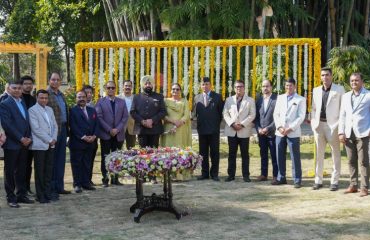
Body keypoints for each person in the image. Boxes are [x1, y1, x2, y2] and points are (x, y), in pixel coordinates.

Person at [0, 80, 34, 207]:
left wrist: (29, 137)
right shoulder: (5, 104)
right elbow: (7, 125)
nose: (17, 90)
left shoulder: (22, 102)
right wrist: (21, 138)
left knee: (21, 170)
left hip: (25, 143)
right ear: (8, 89)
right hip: (12, 144)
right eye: (14, 88)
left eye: (19, 88)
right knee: (10, 171)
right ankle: (10, 197)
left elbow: (27, 121)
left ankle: (21, 195)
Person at [310, 67, 345, 191]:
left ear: (331, 76)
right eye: (323, 75)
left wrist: (340, 127)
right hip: (319, 126)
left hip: (333, 126)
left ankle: (334, 181)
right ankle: (318, 180)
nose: (325, 77)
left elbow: (343, 110)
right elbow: (313, 108)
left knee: (335, 154)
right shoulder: (316, 90)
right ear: (321, 77)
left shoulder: (339, 89)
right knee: (319, 154)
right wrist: (314, 122)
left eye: (327, 75)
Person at [338, 72, 370, 197]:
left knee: (363, 161)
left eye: (356, 80)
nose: (354, 83)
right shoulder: (346, 96)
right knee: (351, 160)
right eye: (352, 81)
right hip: (348, 132)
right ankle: (353, 185)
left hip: (363, 132)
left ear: (362, 81)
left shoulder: (368, 95)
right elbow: (342, 115)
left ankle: (364, 187)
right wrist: (341, 131)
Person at [273, 78, 306, 188]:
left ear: (295, 86)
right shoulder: (280, 98)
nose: (288, 88)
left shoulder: (300, 99)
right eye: (287, 85)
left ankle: (297, 180)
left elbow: (301, 116)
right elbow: (276, 114)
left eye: (290, 85)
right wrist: (279, 127)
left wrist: (290, 128)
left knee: (294, 157)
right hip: (280, 132)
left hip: (293, 132)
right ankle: (281, 177)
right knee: (279, 156)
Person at [95, 81, 129, 187]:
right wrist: (109, 129)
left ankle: (115, 178)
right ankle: (105, 179)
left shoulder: (121, 102)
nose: (110, 89)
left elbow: (125, 117)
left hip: (118, 135)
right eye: (108, 87)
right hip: (106, 134)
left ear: (115, 89)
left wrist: (117, 129)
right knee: (105, 157)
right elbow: (99, 117)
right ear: (105, 88)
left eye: (112, 88)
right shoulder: (100, 102)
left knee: (117, 157)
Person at [29, 90, 58, 203]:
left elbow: (55, 125)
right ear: (37, 98)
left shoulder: (49, 109)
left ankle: (47, 193)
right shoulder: (32, 110)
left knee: (48, 170)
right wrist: (50, 140)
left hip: (51, 145)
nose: (44, 100)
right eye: (41, 98)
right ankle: (40, 195)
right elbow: (36, 129)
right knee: (40, 171)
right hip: (40, 145)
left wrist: (54, 138)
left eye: (46, 98)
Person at [223, 80, 255, 182]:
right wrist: (232, 124)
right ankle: (231, 175)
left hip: (244, 131)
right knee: (231, 154)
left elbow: (252, 115)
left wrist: (241, 124)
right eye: (237, 87)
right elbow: (225, 113)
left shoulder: (250, 100)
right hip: (231, 130)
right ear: (234, 88)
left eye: (240, 87)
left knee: (245, 154)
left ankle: (246, 175)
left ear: (244, 88)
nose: (239, 89)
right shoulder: (229, 100)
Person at [192, 77, 223, 181]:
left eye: (207, 84)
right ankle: (204, 173)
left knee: (214, 152)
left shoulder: (218, 97)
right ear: (200, 86)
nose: (205, 86)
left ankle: (214, 174)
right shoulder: (196, 98)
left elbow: (220, 113)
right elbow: (194, 114)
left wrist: (215, 124)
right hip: (202, 130)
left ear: (210, 85)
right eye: (203, 84)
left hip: (214, 130)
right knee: (203, 153)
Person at [69, 90, 98, 193]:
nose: (81, 99)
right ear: (76, 99)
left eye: (83, 97)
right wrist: (84, 137)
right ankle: (77, 184)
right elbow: (73, 126)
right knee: (77, 164)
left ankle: (86, 183)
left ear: (86, 98)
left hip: (91, 142)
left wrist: (94, 136)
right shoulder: (72, 111)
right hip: (78, 142)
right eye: (79, 97)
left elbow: (96, 124)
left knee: (87, 163)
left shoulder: (92, 110)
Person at [47, 72, 70, 196]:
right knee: (52, 160)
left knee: (61, 160)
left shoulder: (61, 95)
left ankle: (60, 186)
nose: (55, 82)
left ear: (60, 81)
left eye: (57, 80)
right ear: (49, 81)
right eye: (53, 79)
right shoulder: (46, 94)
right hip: (52, 131)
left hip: (63, 129)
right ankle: (51, 188)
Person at [131, 75, 166, 148]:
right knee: (142, 153)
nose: (148, 85)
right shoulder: (137, 97)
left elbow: (163, 111)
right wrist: (142, 121)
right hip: (141, 129)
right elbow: (133, 112)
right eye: (146, 84)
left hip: (155, 129)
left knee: (154, 153)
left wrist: (152, 120)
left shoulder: (159, 96)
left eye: (150, 83)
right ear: (142, 85)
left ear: (152, 85)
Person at [255, 80, 278, 183]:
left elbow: (278, 118)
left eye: (267, 86)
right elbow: (256, 118)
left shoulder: (276, 99)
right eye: (263, 86)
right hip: (261, 134)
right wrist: (258, 128)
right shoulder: (259, 100)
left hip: (272, 133)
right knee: (263, 154)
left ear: (271, 87)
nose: (265, 88)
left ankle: (275, 175)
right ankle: (264, 174)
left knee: (274, 155)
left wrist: (268, 128)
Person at [161, 83, 192, 148]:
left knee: (180, 149)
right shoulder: (165, 101)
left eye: (177, 89)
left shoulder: (184, 101)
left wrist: (178, 123)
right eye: (173, 89)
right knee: (167, 149)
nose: (175, 91)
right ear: (170, 91)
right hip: (168, 127)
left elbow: (186, 115)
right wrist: (174, 122)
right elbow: (163, 114)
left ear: (180, 91)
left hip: (180, 129)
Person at [20, 75, 37, 195]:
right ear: (21, 85)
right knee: (18, 166)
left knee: (28, 165)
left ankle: (26, 187)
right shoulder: (17, 98)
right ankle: (19, 189)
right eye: (26, 83)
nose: (28, 86)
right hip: (19, 138)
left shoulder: (33, 99)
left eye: (30, 84)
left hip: (31, 137)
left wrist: (31, 137)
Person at [82, 85, 97, 185]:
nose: (88, 95)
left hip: (93, 138)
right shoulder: (77, 107)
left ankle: (88, 179)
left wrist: (94, 136)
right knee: (82, 161)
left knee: (91, 160)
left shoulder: (95, 106)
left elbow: (97, 123)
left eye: (90, 93)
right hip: (82, 139)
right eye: (86, 93)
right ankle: (81, 180)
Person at [118, 80, 136, 149]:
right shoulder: (118, 98)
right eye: (126, 86)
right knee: (118, 148)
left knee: (131, 149)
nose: (127, 87)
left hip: (132, 127)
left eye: (129, 86)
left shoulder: (136, 98)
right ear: (123, 87)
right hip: (120, 127)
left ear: (131, 87)